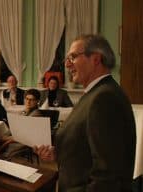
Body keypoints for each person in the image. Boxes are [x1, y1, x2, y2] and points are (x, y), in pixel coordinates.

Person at [34, 34, 136, 192]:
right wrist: (59, 152)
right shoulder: (94, 93)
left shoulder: (105, 98)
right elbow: (88, 147)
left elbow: (108, 175)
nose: (67, 64)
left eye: (73, 57)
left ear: (96, 59)